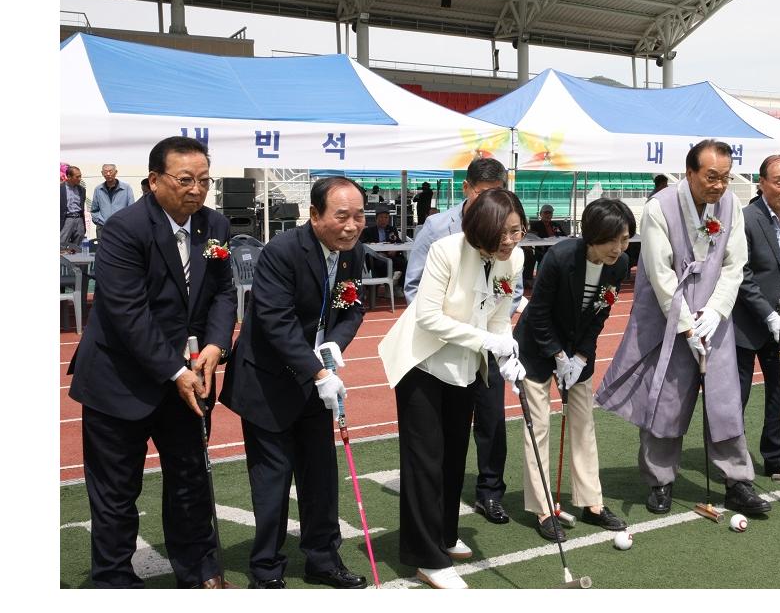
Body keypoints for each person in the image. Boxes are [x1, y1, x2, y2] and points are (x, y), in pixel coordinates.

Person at [67, 136, 236, 588]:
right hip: (119, 381)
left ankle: (200, 571)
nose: (195, 190)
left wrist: (217, 346)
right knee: (116, 492)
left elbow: (223, 291)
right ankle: (113, 579)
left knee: (189, 479)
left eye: (204, 180)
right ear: (154, 180)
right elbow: (127, 313)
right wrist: (176, 370)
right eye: (185, 180)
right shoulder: (125, 228)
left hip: (186, 380)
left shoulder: (213, 226)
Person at [596, 139, 771, 517]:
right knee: (666, 400)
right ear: (690, 172)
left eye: (724, 178)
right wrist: (688, 327)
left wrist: (716, 311)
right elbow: (660, 274)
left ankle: (737, 481)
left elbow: (733, 263)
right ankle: (660, 480)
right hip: (669, 319)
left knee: (725, 399)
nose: (719, 185)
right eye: (711, 177)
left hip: (714, 318)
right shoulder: (660, 207)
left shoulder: (731, 206)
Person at [219, 177, 368, 589]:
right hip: (269, 382)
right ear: (315, 215)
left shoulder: (353, 255)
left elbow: (352, 309)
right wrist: (318, 371)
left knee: (321, 475)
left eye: (359, 217)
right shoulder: (283, 252)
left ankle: (324, 558)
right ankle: (266, 570)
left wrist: (334, 346)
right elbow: (274, 321)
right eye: (342, 216)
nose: (352, 226)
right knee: (272, 481)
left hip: (316, 381)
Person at [377, 189, 528, 589]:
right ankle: (426, 558)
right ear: (481, 230)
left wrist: (506, 352)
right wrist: (487, 342)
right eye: (504, 233)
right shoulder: (446, 250)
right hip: (422, 362)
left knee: (454, 455)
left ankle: (444, 534)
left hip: (464, 367)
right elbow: (426, 317)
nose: (512, 240)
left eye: (518, 231)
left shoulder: (513, 258)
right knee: (424, 460)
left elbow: (498, 313)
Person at [403, 156, 521, 526]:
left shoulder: (510, 251)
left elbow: (504, 302)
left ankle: (488, 493)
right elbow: (416, 292)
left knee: (490, 421)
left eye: (499, 195)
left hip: (482, 351)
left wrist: (505, 346)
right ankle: (433, 527)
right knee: (435, 446)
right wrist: (472, 333)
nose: (493, 205)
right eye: (484, 194)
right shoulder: (440, 232)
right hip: (435, 352)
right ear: (468, 189)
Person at [514, 198, 636, 541]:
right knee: (538, 425)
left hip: (578, 349)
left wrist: (581, 356)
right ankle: (542, 509)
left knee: (583, 423)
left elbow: (600, 315)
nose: (619, 248)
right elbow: (537, 312)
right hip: (537, 347)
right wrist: (557, 355)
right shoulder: (562, 256)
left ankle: (591, 503)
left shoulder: (620, 264)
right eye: (612, 239)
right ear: (592, 234)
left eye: (625, 239)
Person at [732, 155, 780, 481]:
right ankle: (732, 464)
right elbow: (742, 273)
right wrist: (766, 313)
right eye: (779, 181)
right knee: (737, 397)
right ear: (762, 182)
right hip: (745, 325)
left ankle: (777, 456)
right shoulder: (746, 219)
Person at [523, 203, 568, 287]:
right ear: (541, 214)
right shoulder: (535, 225)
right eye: (546, 213)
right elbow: (531, 236)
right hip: (542, 250)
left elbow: (564, 236)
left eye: (550, 213)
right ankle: (531, 280)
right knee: (531, 257)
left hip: (558, 249)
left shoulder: (556, 225)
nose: (548, 215)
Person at [91, 163, 135, 239]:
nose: (108, 174)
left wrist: (124, 223)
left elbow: (131, 209)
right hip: (103, 228)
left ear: (116, 172)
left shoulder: (126, 188)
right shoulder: (98, 189)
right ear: (102, 173)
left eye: (110, 171)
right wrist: (100, 221)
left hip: (121, 228)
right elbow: (94, 210)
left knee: (121, 249)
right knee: (103, 249)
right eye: (105, 172)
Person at [361, 206, 404, 281]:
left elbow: (399, 242)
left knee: (404, 262)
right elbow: (363, 244)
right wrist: (377, 253)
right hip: (375, 257)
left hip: (390, 255)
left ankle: (400, 286)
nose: (383, 220)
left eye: (386, 218)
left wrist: (395, 250)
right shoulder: (369, 231)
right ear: (376, 219)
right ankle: (383, 284)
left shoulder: (392, 229)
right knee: (381, 263)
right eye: (381, 217)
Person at [60, 165, 87, 248]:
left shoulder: (82, 190)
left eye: (80, 176)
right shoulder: (60, 189)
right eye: (77, 177)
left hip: (79, 220)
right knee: (61, 244)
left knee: (77, 247)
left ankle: (75, 261)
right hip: (66, 220)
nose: (80, 179)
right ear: (68, 177)